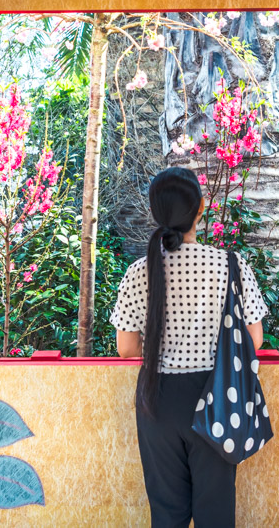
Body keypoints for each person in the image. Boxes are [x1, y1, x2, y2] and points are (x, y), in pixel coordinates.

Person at [110, 167, 268, 528]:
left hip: (158, 400)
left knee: (167, 516)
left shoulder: (139, 271)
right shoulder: (230, 265)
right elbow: (254, 340)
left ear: (156, 214)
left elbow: (126, 347)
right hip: (218, 398)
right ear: (200, 209)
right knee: (216, 516)